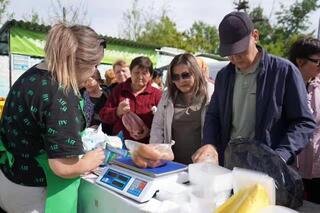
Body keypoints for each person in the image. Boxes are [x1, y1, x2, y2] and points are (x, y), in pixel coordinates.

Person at [0, 23, 105, 213]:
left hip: (10, 179)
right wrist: (88, 161)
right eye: (94, 66)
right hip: (37, 195)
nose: (93, 73)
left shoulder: (32, 75)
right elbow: (62, 167)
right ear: (78, 63)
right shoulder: (60, 95)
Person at [194, 11, 315, 166]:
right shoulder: (224, 76)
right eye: (230, 53)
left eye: (240, 50)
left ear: (255, 36)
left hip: (269, 167)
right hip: (230, 163)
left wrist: (281, 155)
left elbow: (303, 122)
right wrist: (209, 143)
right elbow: (214, 114)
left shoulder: (284, 72)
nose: (235, 58)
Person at [132, 53, 215, 167]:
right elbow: (157, 127)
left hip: (201, 165)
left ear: (196, 72)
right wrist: (156, 155)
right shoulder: (167, 96)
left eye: (185, 75)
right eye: (176, 77)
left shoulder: (211, 93)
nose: (181, 80)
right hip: (172, 164)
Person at [99, 56, 162, 143]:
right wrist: (117, 111)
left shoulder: (157, 94)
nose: (140, 76)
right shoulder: (118, 90)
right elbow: (103, 115)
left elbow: (164, 122)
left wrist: (149, 131)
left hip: (146, 145)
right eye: (136, 72)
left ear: (150, 76)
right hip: (120, 143)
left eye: (144, 73)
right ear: (131, 73)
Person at [288, 37, 320, 204]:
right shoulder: (283, 88)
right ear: (300, 62)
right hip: (292, 170)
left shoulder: (318, 86)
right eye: (318, 62)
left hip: (317, 171)